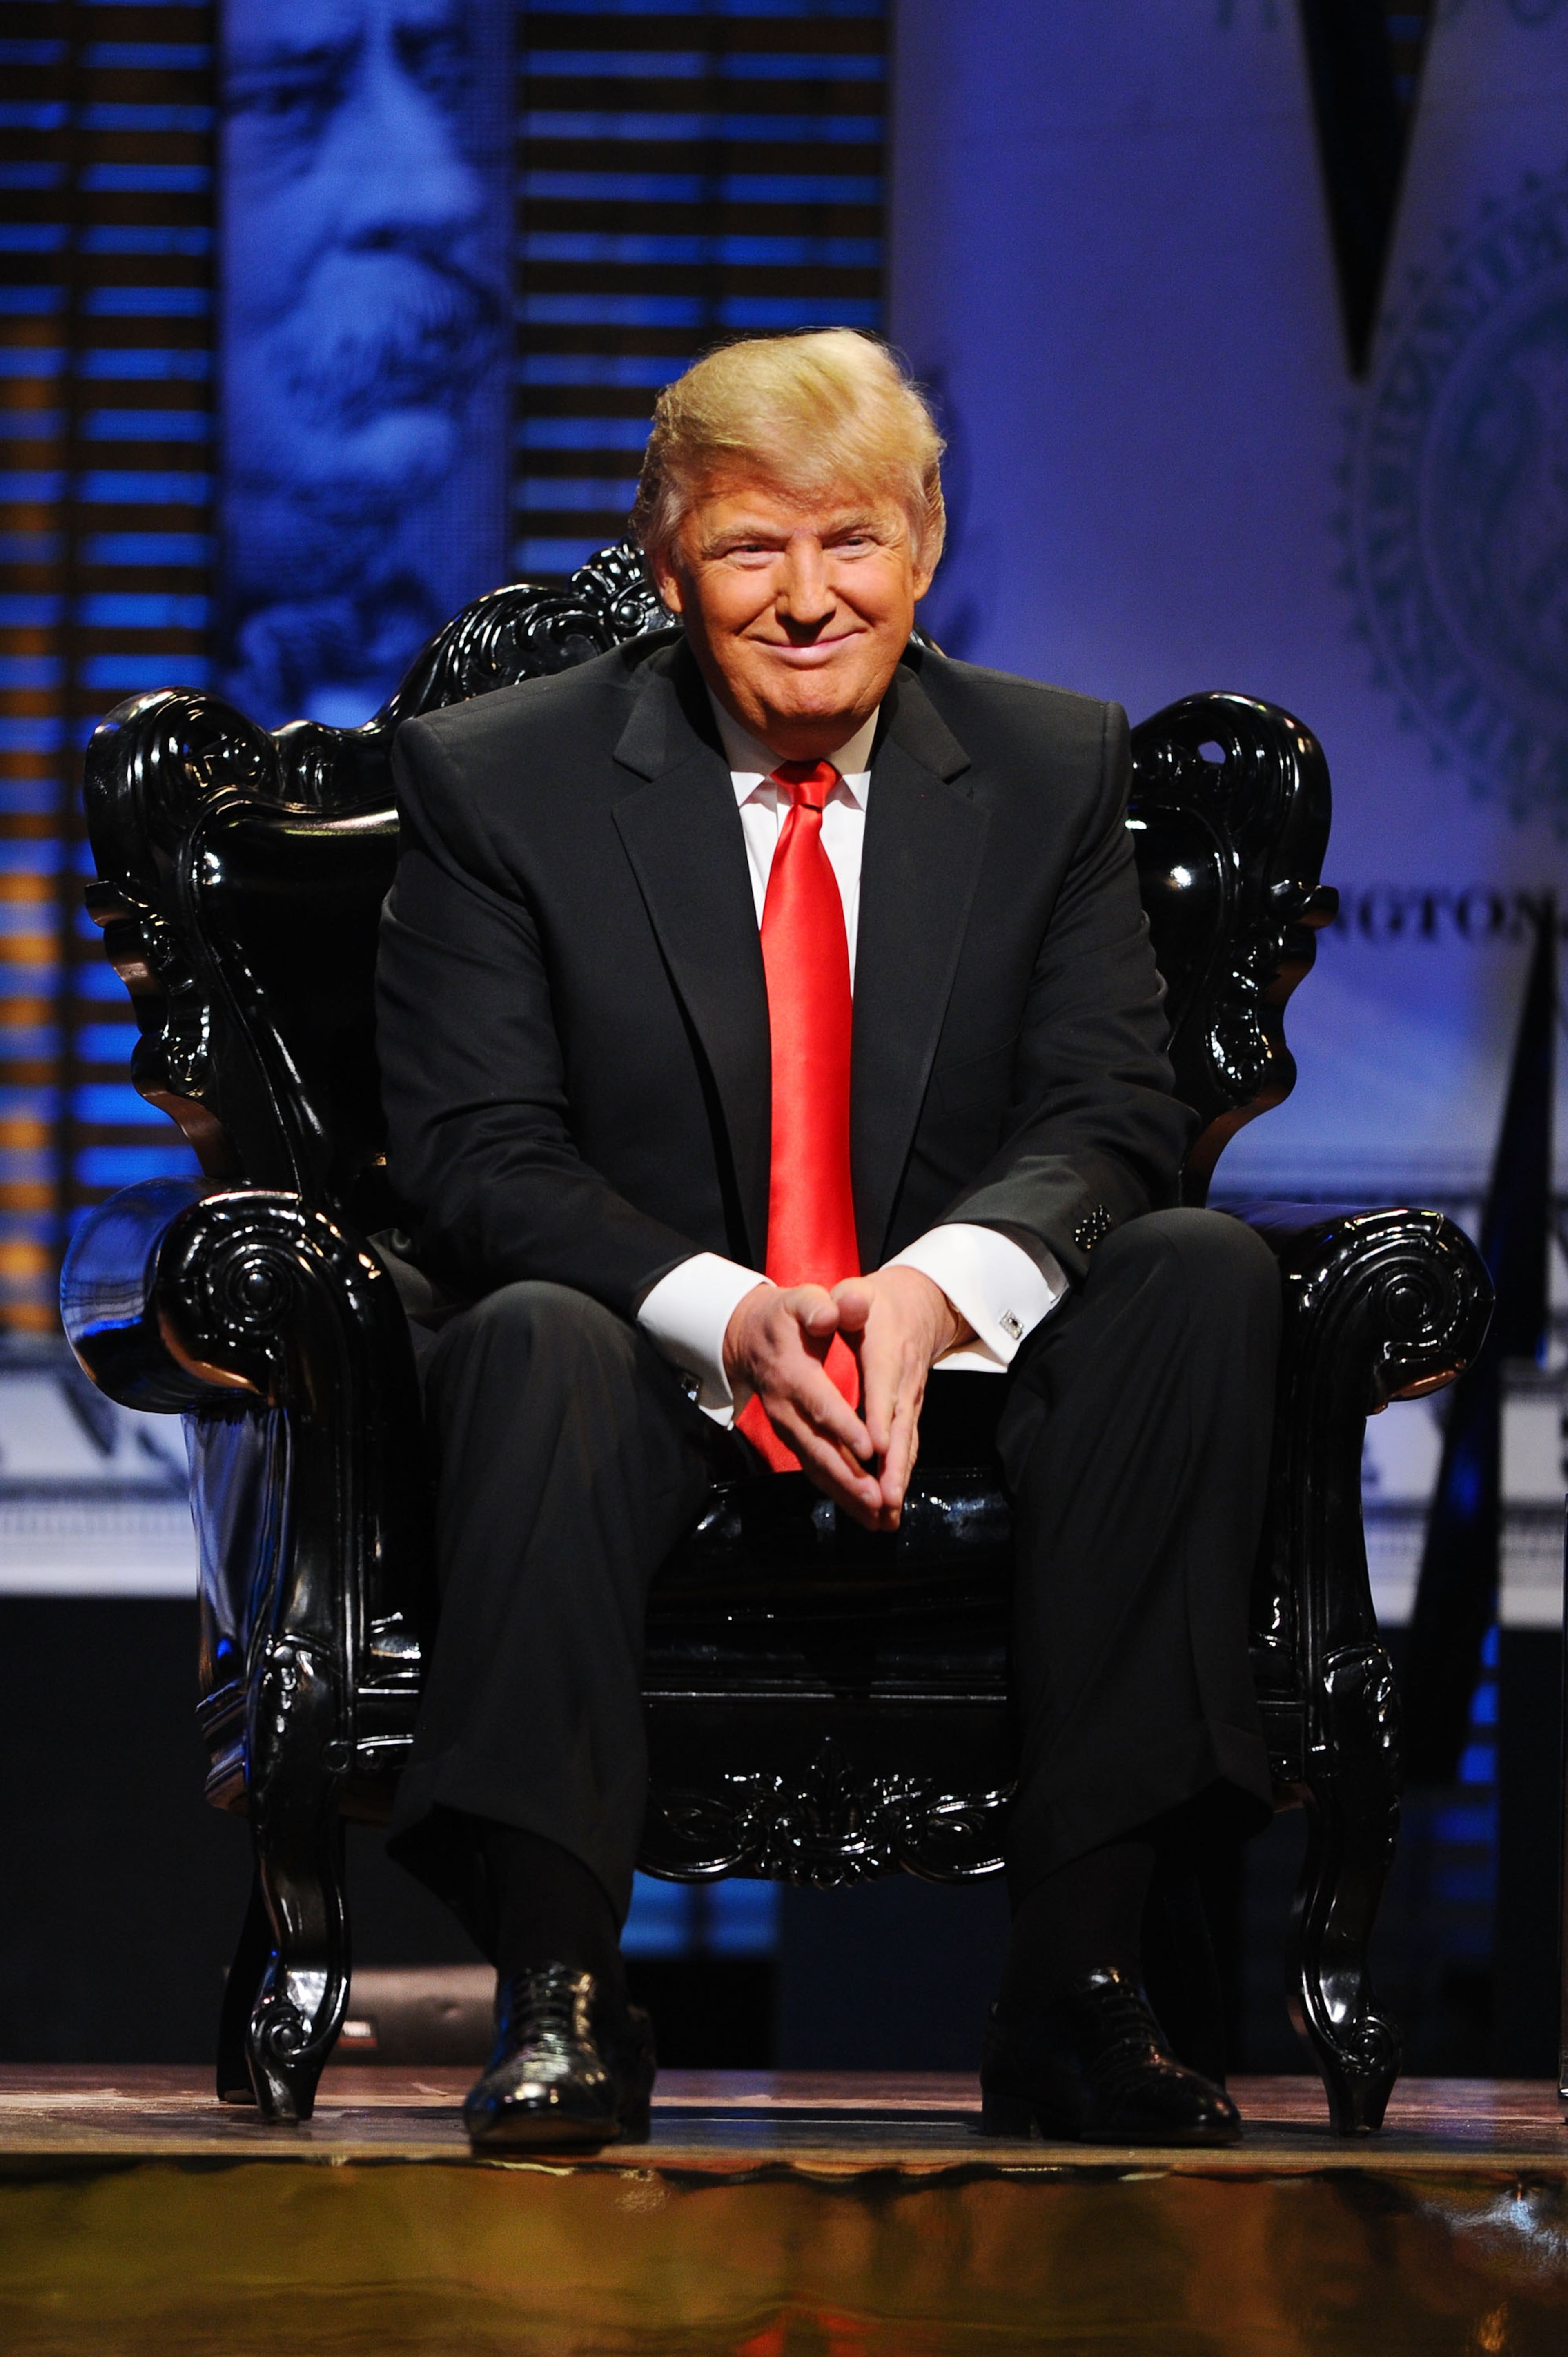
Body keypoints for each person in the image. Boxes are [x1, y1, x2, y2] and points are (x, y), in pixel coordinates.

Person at [375, 330, 1280, 2154]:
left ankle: (1082, 1989)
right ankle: (560, 1993)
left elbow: (1108, 1110)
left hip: (952, 1352)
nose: (808, 602)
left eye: (852, 541)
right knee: (532, 1336)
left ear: (928, 541)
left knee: (1202, 1272)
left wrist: (931, 1297)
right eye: (749, 551)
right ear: (664, 564)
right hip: (639, 1347)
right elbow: (476, 1152)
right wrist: (733, 1314)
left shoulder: (1047, 767)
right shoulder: (503, 782)